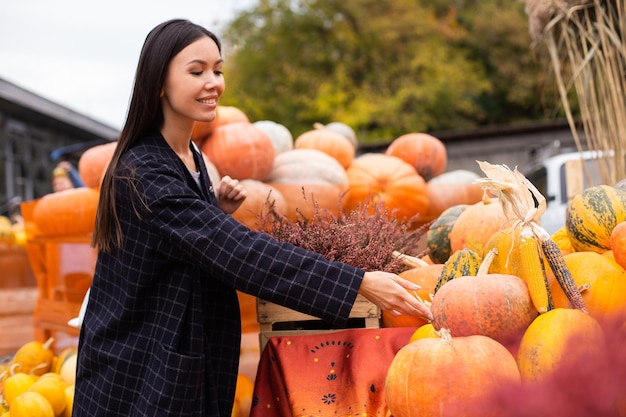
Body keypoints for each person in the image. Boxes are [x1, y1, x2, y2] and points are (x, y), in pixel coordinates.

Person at [72, 18, 432, 417]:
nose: (214, 82)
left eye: (218, 70)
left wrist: (212, 213)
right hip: (139, 366)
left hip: (173, 350)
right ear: (159, 82)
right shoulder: (142, 171)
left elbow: (187, 238)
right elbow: (238, 251)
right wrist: (360, 283)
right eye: (197, 71)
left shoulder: (187, 155)